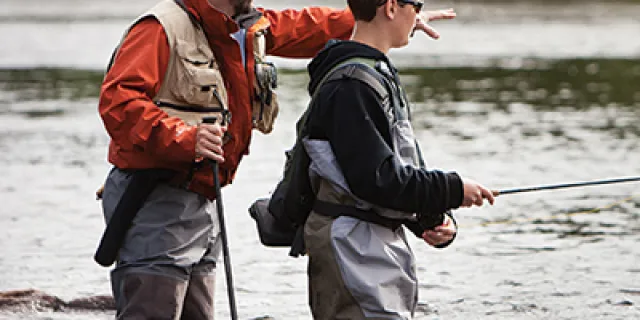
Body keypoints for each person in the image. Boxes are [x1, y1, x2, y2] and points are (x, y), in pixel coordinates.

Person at [97, 0, 356, 318]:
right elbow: (118, 102)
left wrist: (384, 20)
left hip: (203, 202)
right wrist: (186, 138)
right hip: (155, 200)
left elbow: (305, 26)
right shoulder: (159, 28)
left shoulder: (243, 25)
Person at [299, 0, 496, 319]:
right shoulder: (352, 84)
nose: (418, 14)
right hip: (353, 250)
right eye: (415, 4)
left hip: (370, 246)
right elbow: (376, 179)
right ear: (391, 7)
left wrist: (428, 220)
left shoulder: (372, 74)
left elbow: (383, 173)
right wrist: (453, 188)